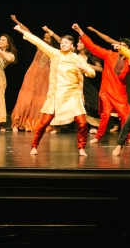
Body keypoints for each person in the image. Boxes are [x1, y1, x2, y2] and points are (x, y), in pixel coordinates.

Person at [12, 20, 95, 157]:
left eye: (66, 43)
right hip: (55, 96)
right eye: (61, 42)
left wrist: (85, 68)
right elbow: (39, 42)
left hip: (72, 96)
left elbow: (92, 73)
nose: (63, 44)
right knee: (44, 123)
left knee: (82, 123)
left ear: (72, 45)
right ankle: (34, 146)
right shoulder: (55, 54)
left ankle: (81, 148)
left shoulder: (76, 58)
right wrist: (23, 31)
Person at [74, 23, 130, 146]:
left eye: (123, 46)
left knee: (124, 115)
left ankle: (128, 138)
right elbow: (93, 47)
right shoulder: (109, 55)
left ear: (128, 49)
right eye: (120, 45)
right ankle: (98, 136)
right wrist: (81, 32)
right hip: (106, 91)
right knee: (106, 114)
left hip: (119, 93)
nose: (120, 47)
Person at [10, 24, 56, 134]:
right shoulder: (40, 46)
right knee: (26, 99)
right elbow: (30, 34)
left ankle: (37, 124)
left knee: (40, 101)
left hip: (45, 79)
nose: (45, 39)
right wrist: (18, 24)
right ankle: (17, 123)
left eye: (48, 38)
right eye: (44, 37)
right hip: (32, 75)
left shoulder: (54, 51)